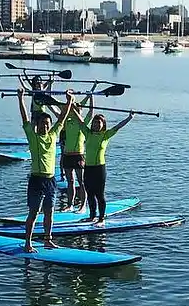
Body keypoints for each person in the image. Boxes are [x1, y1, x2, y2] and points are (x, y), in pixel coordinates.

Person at [17, 89, 73, 252]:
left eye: (48, 124)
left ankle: (48, 240)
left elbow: (62, 118)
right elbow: (25, 117)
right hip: (36, 180)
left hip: (51, 181)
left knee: (49, 212)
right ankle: (28, 242)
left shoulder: (54, 135)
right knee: (34, 213)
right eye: (43, 124)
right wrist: (20, 98)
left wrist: (68, 101)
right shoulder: (32, 136)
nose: (46, 126)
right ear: (38, 125)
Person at [77, 110, 135, 225]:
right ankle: (92, 216)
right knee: (90, 193)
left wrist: (129, 118)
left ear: (103, 125)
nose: (96, 125)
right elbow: (80, 121)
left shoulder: (106, 135)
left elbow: (118, 126)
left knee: (99, 194)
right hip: (88, 168)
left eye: (99, 123)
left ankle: (101, 219)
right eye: (94, 123)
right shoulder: (87, 133)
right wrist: (72, 106)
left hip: (99, 169)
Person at [61, 90, 96, 212]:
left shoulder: (83, 123)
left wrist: (91, 97)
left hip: (78, 155)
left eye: (77, 109)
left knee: (81, 182)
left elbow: (91, 112)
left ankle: (82, 206)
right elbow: (56, 110)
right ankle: (70, 205)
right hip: (67, 155)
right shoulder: (67, 121)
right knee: (70, 181)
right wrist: (68, 100)